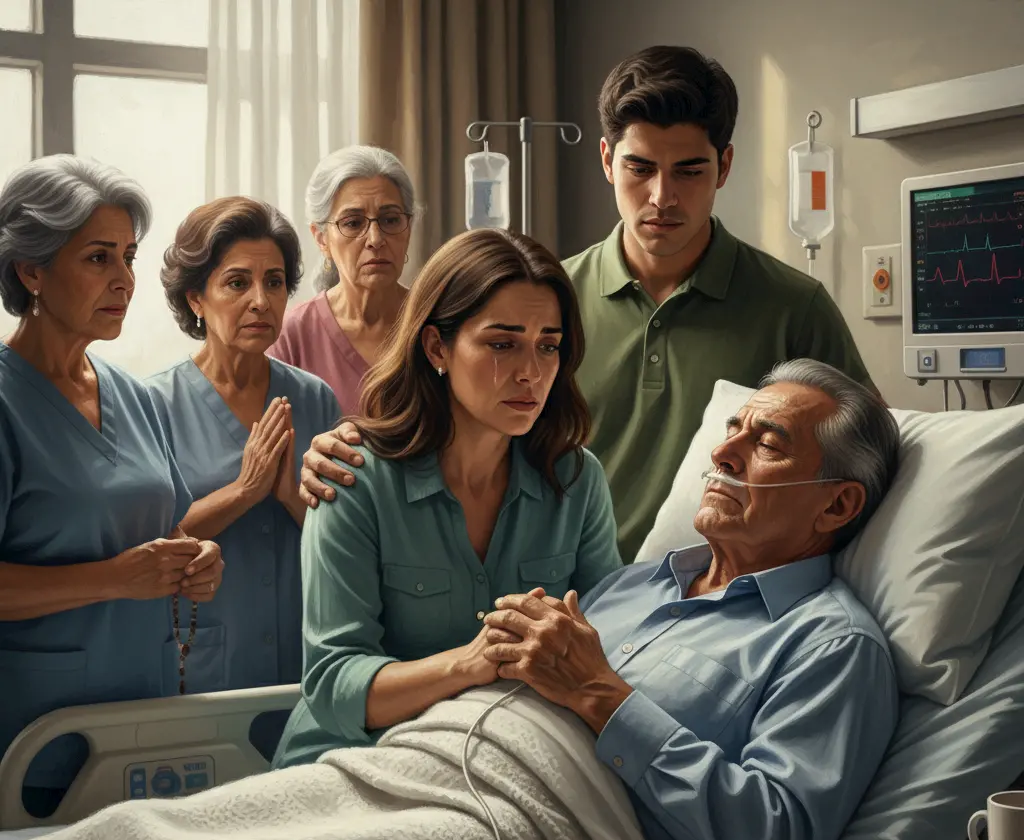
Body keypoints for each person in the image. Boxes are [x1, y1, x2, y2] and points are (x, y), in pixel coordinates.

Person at [297, 48, 880, 564]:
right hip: (553, 592)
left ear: (724, 166)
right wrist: (348, 451)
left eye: (689, 171)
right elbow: (440, 428)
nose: (662, 197)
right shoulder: (543, 301)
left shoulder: (793, 307)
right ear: (606, 160)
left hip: (716, 608)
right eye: (640, 168)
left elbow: (867, 464)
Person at [479, 359, 901, 840]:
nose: (723, 455)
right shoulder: (631, 583)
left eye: (767, 445)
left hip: (530, 839)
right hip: (440, 761)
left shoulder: (832, 647)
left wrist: (599, 693)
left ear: (837, 504)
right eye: (732, 431)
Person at [271, 228, 623, 769]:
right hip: (351, 759)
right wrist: (469, 663)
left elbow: (610, 648)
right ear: (437, 346)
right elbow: (333, 683)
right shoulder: (353, 478)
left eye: (548, 345)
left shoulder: (575, 482)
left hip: (504, 762)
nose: (531, 371)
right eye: (502, 343)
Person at [0, 155, 223, 817]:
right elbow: (123, 569)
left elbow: (169, 531)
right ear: (31, 269)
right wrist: (114, 579)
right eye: (99, 258)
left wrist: (198, 562)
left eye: (128, 257)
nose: (124, 280)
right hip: (34, 740)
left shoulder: (134, 393)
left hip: (147, 723)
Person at [146, 198, 341, 716]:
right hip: (206, 661)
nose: (261, 300)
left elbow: (348, 537)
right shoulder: (151, 406)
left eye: (274, 282)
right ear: (196, 299)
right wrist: (244, 492)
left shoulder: (316, 398)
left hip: (307, 658)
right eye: (237, 283)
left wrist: (288, 497)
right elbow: (149, 549)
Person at [266, 145, 415, 415]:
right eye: (353, 223)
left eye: (391, 220)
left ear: (409, 229)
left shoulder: (438, 320)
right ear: (321, 238)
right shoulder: (292, 334)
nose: (376, 239)